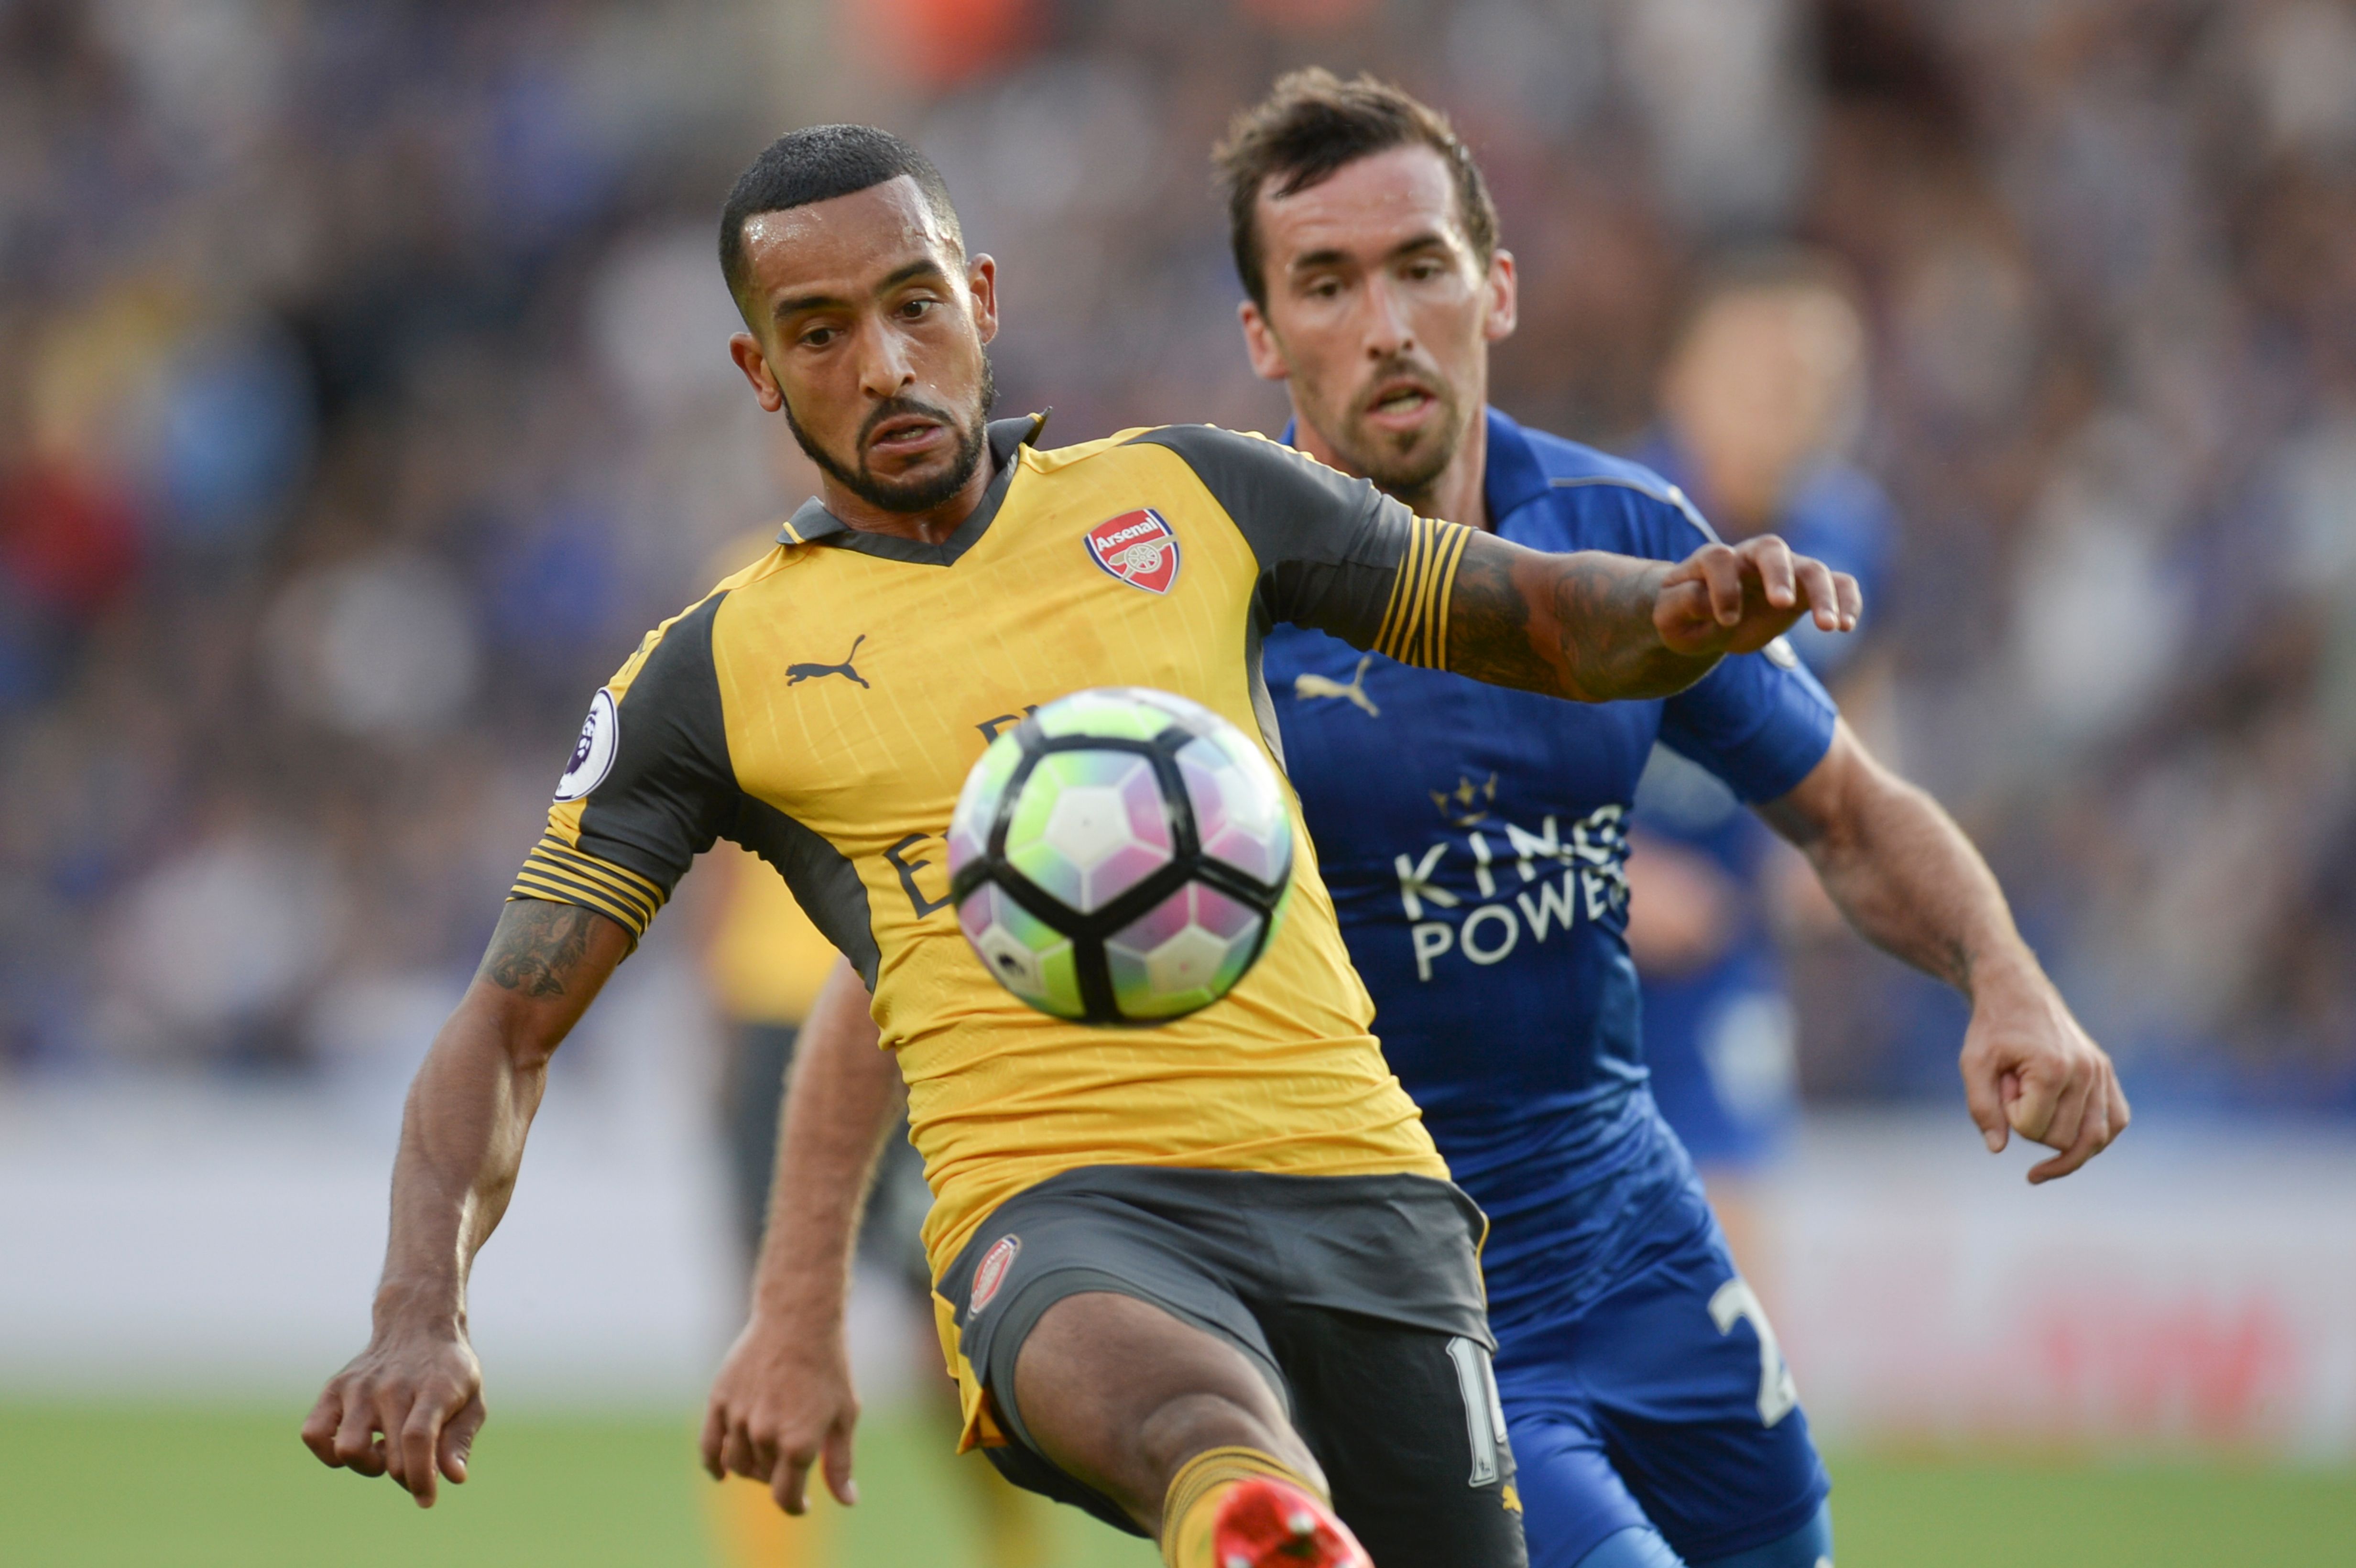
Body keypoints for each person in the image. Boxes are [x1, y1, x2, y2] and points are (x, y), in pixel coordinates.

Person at [298, 123, 1860, 1568]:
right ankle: (1245, 1518)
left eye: (915, 306)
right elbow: (505, 1028)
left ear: (980, 298)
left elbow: (1528, 614)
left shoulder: (1194, 497)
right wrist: (420, 1306)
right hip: (1057, 1207)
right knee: (1198, 1429)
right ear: (757, 371)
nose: (884, 365)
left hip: (1362, 1189)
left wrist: (1679, 609)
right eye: (819, 334)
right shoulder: (712, 673)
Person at [1212, 71, 2126, 1568]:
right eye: (1327, 284)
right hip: (1410, 1301)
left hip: (1641, 1243)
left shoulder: (1626, 532)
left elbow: (1848, 810)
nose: (1386, 325)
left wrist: (2005, 976)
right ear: (1263, 334)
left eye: (1422, 267)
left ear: (1497, 289)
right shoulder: (1212, 608)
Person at [1622, 254, 1898, 1284]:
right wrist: (1615, 866)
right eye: (1762, 376)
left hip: (1721, 947)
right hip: (1552, 931)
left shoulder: (1852, 531)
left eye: (1820, 384)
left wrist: (1834, 822)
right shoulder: (1592, 528)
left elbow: (1862, 692)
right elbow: (1473, 752)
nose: (1792, 407)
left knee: (1733, 1285)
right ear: (1680, 378)